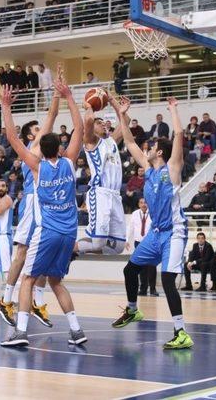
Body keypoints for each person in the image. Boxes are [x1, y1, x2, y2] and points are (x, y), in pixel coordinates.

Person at [0, 79, 87, 347]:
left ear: (41, 148)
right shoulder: (70, 163)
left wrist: (5, 106)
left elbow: (13, 138)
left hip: (48, 232)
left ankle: (21, 332)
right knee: (56, 282)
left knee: (28, 278)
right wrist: (69, 96)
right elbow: (79, 129)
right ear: (60, 148)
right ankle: (76, 330)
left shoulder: (36, 167)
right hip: (70, 232)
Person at [112, 96, 193, 350]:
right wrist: (122, 115)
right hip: (156, 234)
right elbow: (128, 142)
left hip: (174, 233)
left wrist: (173, 109)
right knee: (130, 270)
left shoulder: (172, 169)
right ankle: (133, 310)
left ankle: (181, 333)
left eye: (152, 146)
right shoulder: (148, 170)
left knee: (167, 280)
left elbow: (178, 134)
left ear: (160, 151)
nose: (146, 148)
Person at [0, 79, 61, 329]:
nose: (41, 129)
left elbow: (53, 114)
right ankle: (5, 299)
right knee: (21, 254)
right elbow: (51, 116)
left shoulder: (43, 150)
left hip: (45, 205)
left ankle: (37, 302)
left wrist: (57, 93)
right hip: (32, 204)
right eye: (37, 128)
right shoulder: (31, 147)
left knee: (45, 254)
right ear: (30, 136)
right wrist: (6, 107)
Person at [75, 92, 128, 257]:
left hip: (115, 195)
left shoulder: (111, 140)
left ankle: (78, 252)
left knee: (117, 246)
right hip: (100, 193)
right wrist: (89, 105)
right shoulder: (90, 142)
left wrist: (113, 101)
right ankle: (67, 249)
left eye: (104, 122)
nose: (103, 124)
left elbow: (125, 121)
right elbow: (89, 121)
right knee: (98, 241)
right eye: (99, 122)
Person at [126, 198, 157, 296]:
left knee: (152, 266)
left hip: (150, 243)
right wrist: (126, 240)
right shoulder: (135, 214)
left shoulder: (153, 213)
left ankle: (153, 289)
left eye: (145, 202)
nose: (144, 204)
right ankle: (143, 289)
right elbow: (130, 227)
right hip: (138, 243)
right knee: (141, 267)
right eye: (141, 203)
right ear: (139, 204)